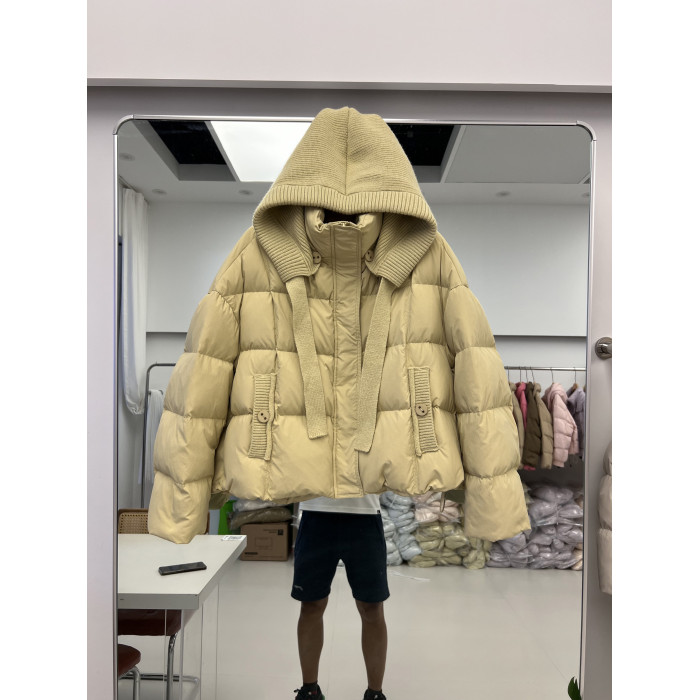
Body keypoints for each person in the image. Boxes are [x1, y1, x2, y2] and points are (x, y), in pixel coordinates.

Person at [291, 494, 389, 700]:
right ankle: (310, 691)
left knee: (372, 608)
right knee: (310, 606)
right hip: (316, 512)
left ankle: (375, 693)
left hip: (364, 513)